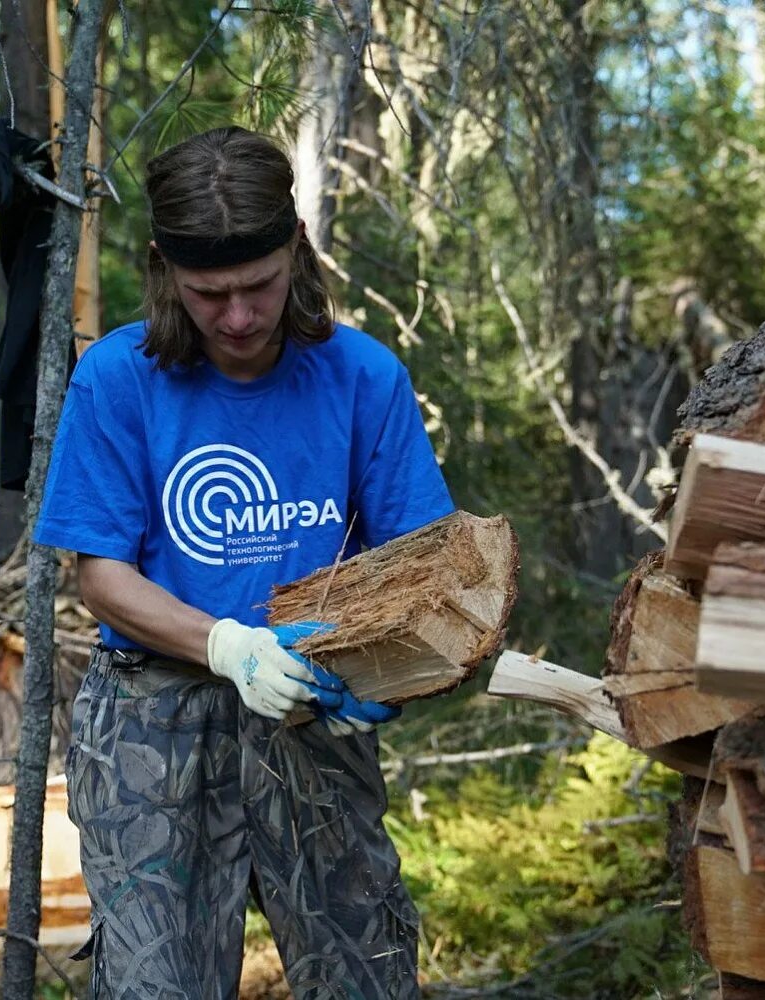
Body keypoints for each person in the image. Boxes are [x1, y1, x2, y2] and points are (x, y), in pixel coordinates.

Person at [34, 125, 454, 999]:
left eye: (257, 286)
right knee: (156, 985)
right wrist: (227, 646)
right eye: (207, 293)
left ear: (295, 249)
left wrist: (381, 674)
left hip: (312, 709)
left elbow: (425, 568)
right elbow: (100, 577)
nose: (236, 316)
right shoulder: (118, 379)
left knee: (363, 969)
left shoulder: (361, 378)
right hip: (153, 721)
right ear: (163, 269)